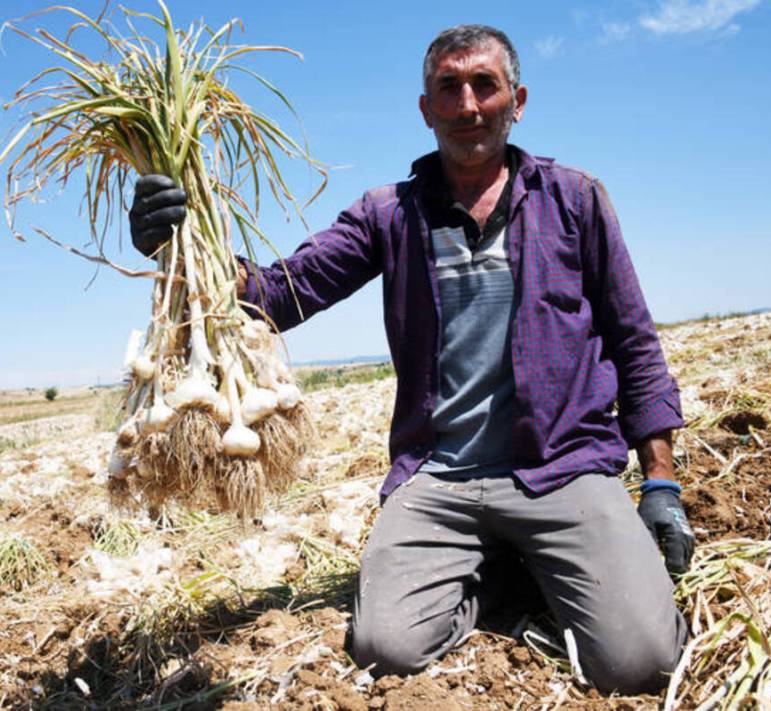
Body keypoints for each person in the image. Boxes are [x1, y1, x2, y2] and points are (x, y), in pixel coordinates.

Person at [129, 24, 694, 695]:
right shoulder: (388, 215)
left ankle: (530, 555)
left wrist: (659, 483)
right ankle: (505, 569)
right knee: (384, 646)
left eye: (484, 85)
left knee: (640, 661)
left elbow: (634, 340)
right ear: (425, 109)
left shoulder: (574, 200)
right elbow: (278, 293)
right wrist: (179, 242)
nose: (467, 104)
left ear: (517, 99)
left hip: (562, 465)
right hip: (441, 476)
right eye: (447, 89)